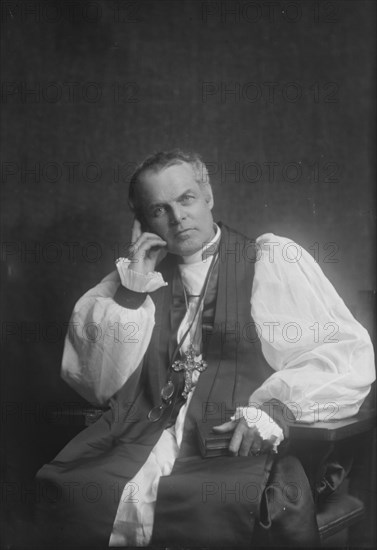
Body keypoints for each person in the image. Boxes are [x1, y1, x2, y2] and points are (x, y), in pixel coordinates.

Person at [36, 150, 375, 548]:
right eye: (159, 209)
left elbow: (342, 354)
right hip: (145, 436)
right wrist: (133, 288)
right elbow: (98, 384)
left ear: (208, 195)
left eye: (186, 199)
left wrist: (277, 408)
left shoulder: (267, 260)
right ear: (143, 221)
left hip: (230, 448)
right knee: (77, 490)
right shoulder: (135, 280)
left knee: (224, 504)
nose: (177, 217)